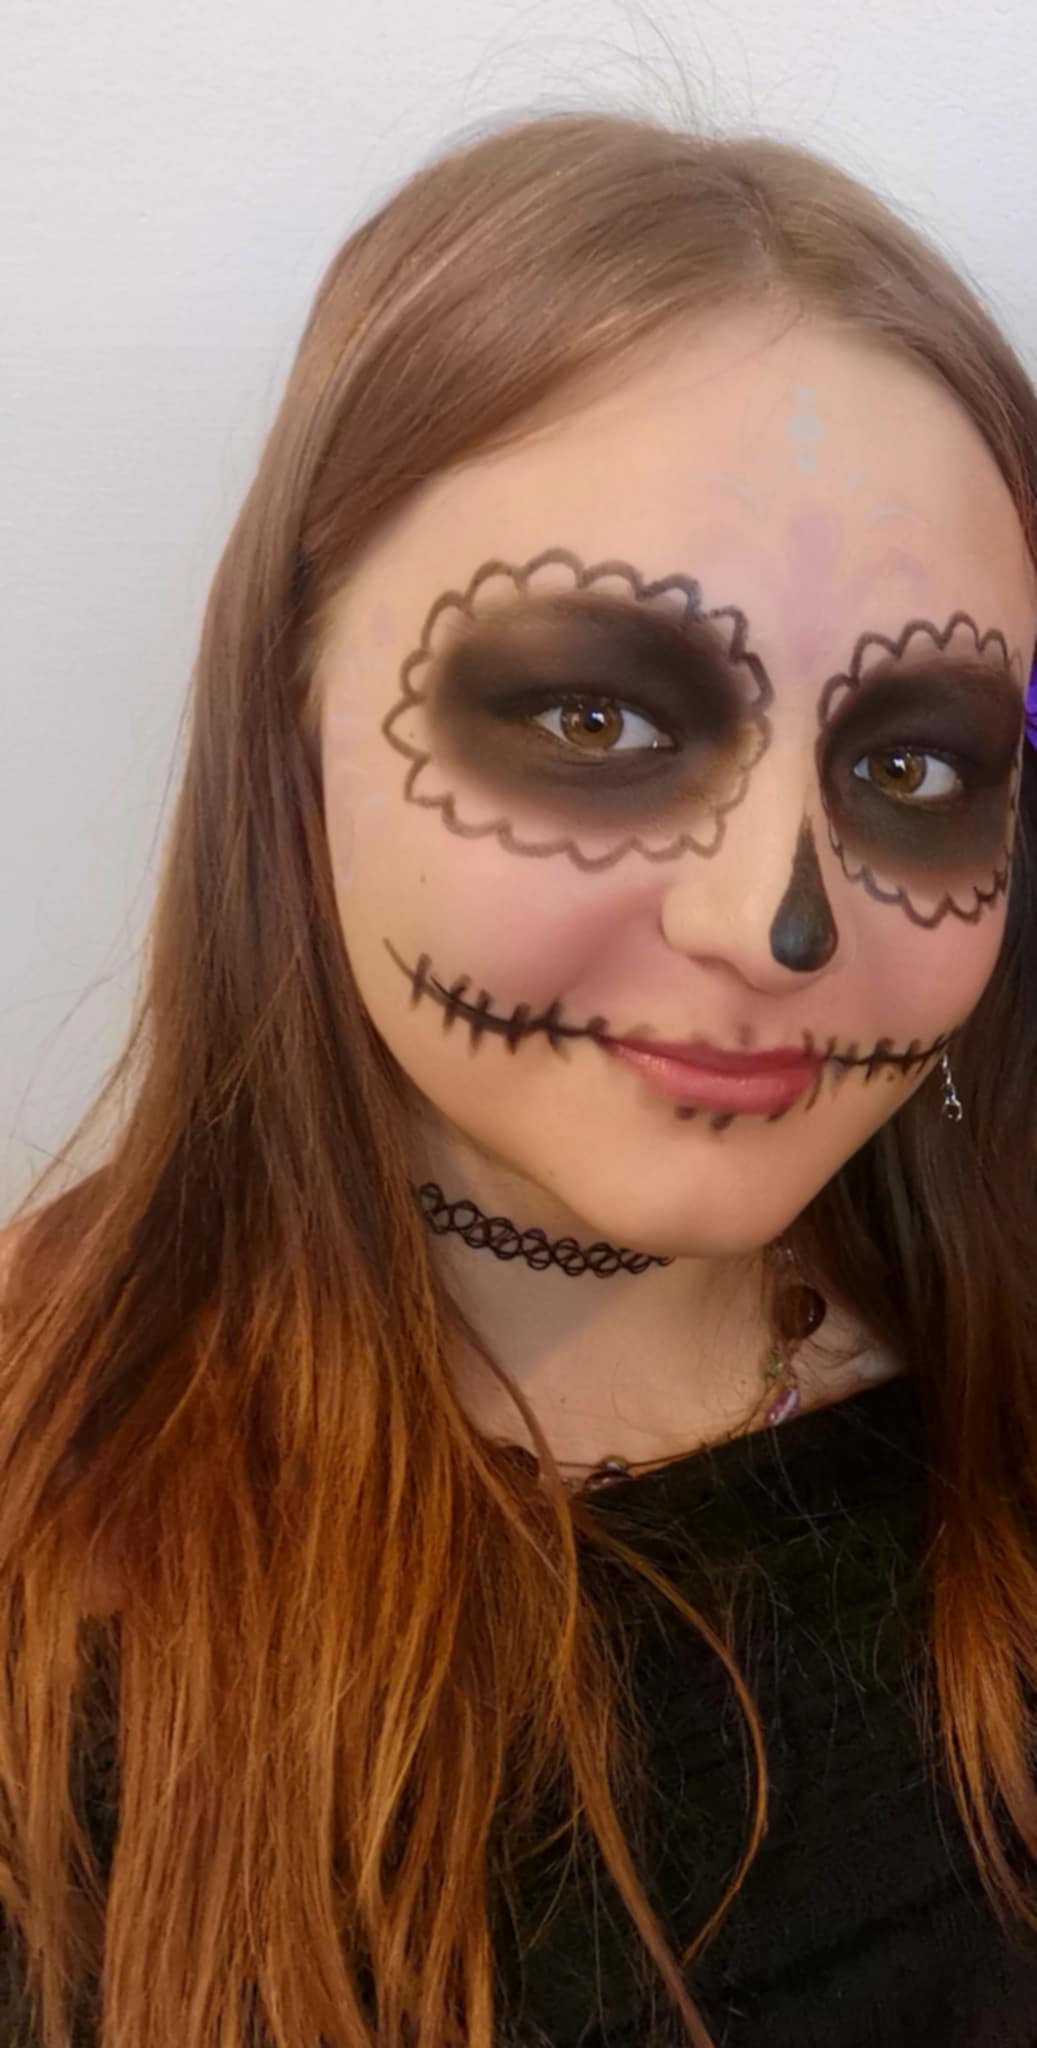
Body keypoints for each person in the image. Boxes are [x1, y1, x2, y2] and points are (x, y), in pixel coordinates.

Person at [2, 108, 1037, 2048]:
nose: (778, 926)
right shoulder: (44, 1526)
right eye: (596, 716)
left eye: (912, 763)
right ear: (294, 711)